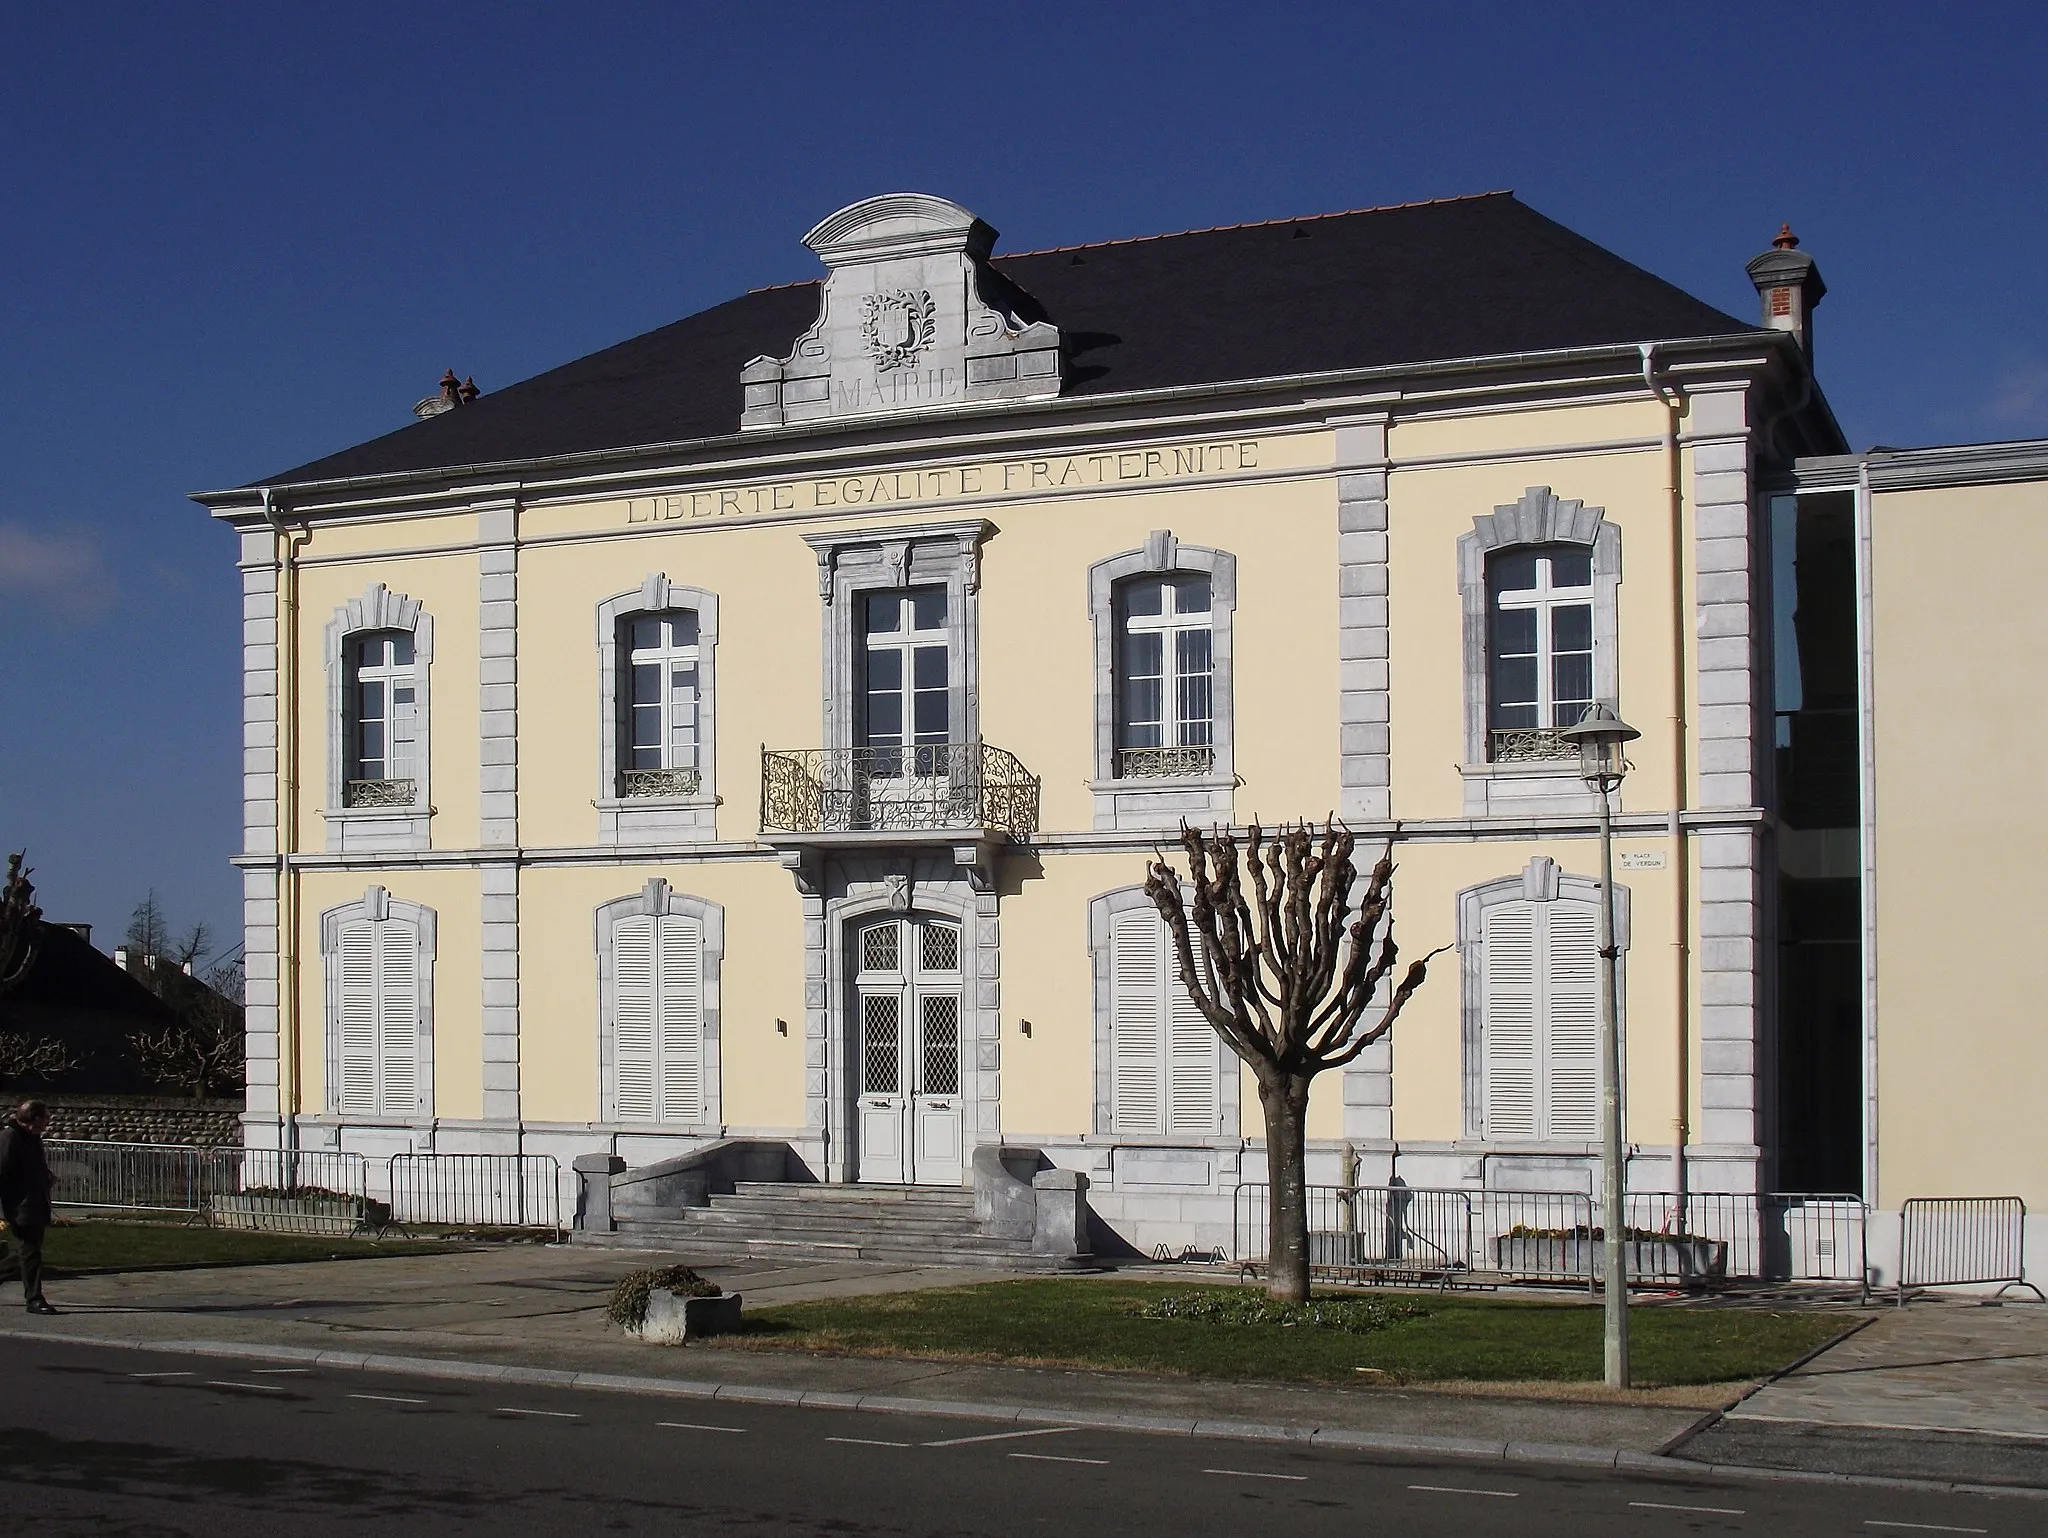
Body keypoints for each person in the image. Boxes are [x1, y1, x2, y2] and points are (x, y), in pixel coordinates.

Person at [0, 1100, 58, 1314]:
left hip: (34, 1201)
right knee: (30, 1251)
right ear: (34, 1118)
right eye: (45, 1117)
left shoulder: (32, 1138)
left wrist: (46, 1177)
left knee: (27, 1252)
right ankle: (34, 1299)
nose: (48, 1121)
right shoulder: (11, 1137)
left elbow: (33, 1167)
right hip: (20, 1204)